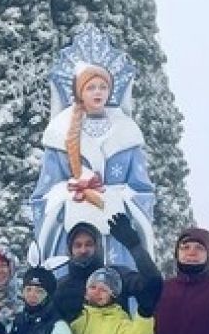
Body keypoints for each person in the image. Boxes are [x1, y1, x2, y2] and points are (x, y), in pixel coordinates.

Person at [30, 27, 156, 271]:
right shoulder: (60, 134)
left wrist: (117, 199)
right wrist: (73, 195)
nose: (97, 92)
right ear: (79, 92)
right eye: (90, 87)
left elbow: (143, 190)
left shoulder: (127, 133)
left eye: (102, 86)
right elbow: (43, 194)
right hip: (74, 234)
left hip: (116, 233)